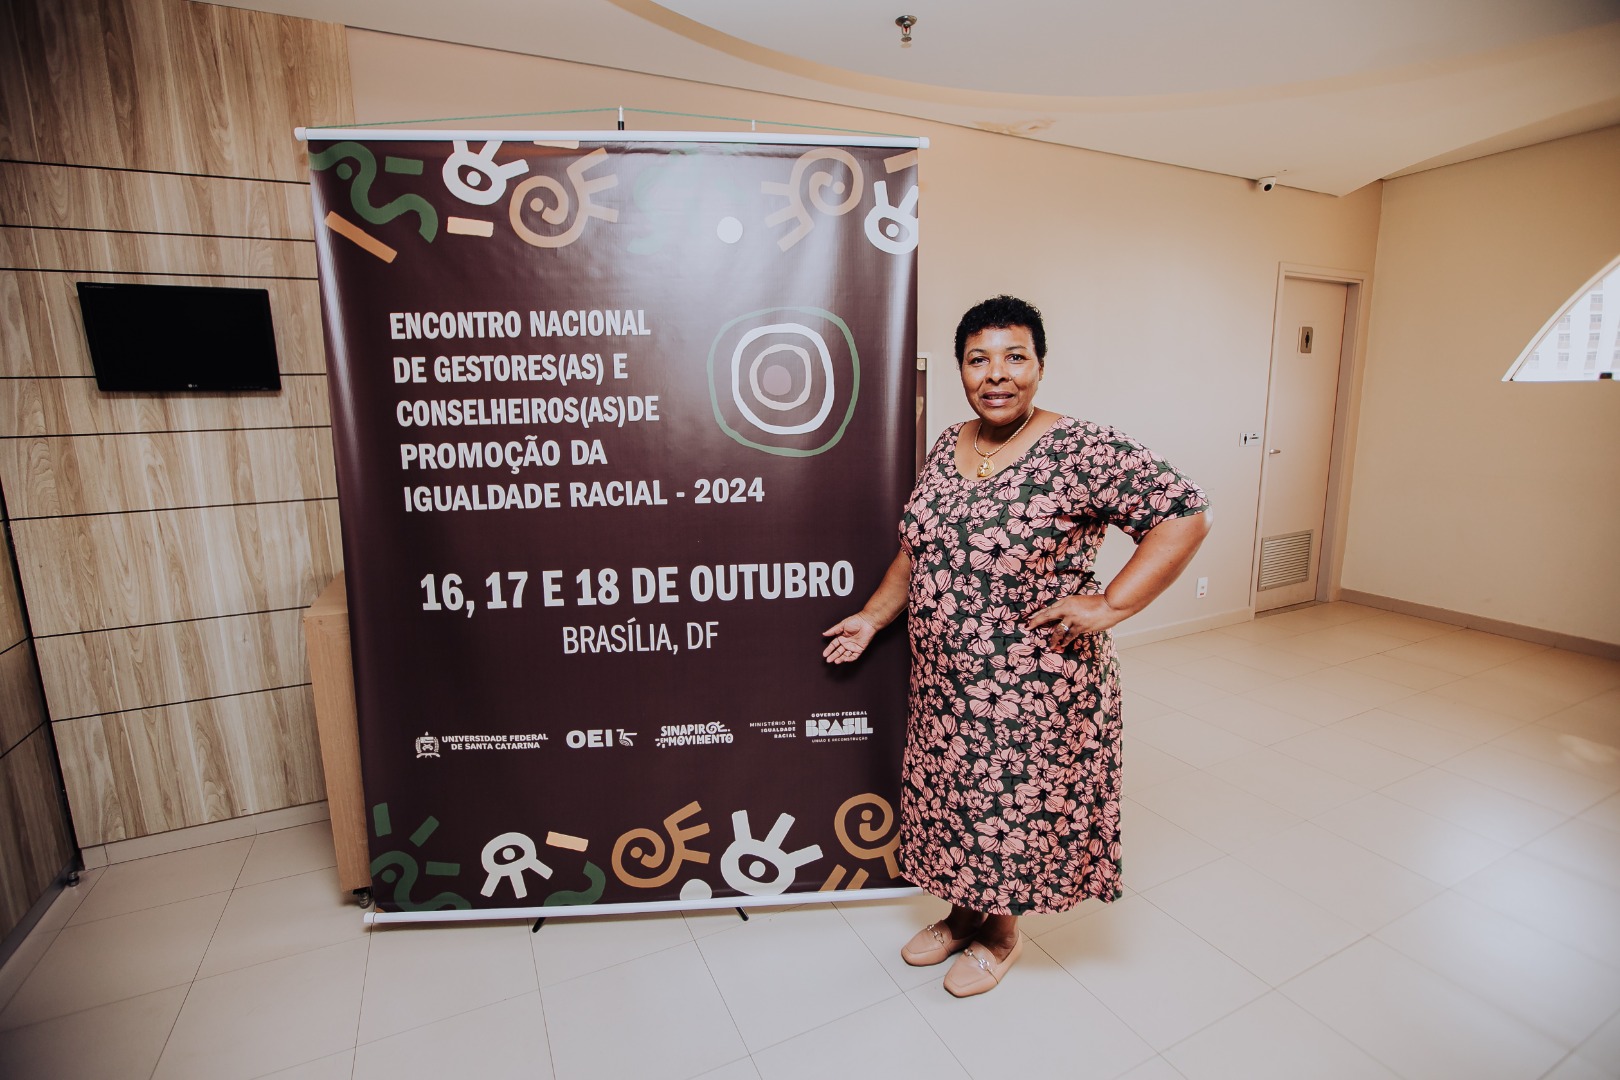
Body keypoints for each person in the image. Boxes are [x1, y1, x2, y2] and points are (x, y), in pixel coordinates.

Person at [823, 295, 1210, 997]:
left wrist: (1111, 604)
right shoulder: (949, 443)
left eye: (1014, 357)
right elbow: (919, 549)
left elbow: (1184, 513)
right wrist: (873, 618)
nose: (996, 374)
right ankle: (962, 914)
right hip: (946, 681)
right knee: (955, 800)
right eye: (979, 359)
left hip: (1033, 684)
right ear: (961, 370)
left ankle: (1000, 935)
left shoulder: (1083, 447)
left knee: (1006, 811)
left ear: (1039, 365)